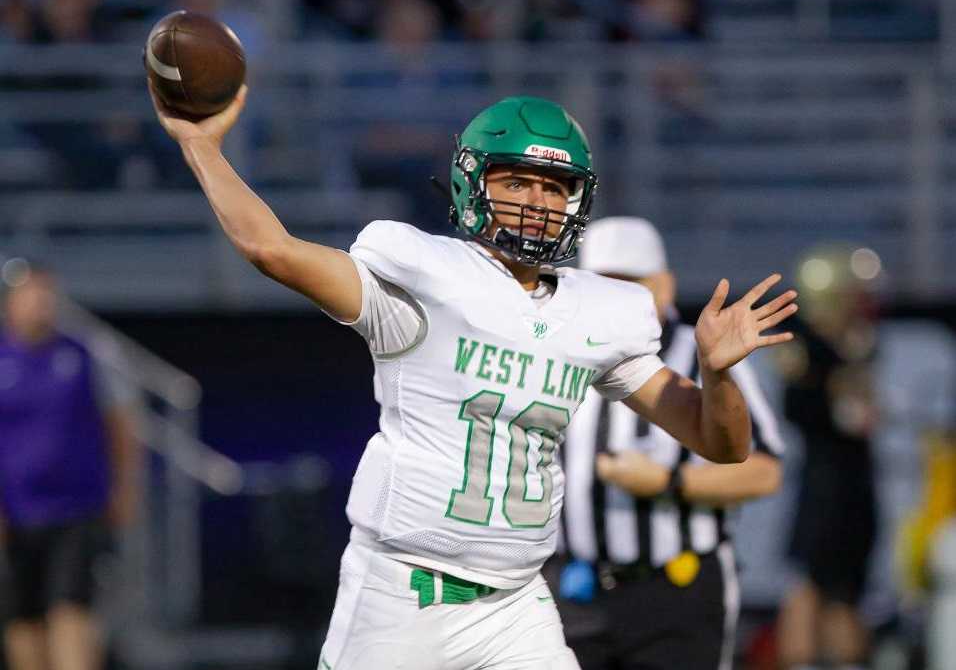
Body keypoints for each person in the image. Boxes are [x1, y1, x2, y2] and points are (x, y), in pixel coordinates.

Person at [147, 82, 798, 670]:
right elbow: (273, 250)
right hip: (403, 592)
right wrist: (202, 146)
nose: (537, 203)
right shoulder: (423, 279)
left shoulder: (599, 312)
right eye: (517, 182)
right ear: (472, 184)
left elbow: (722, 445)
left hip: (515, 604)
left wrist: (717, 375)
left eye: (554, 188)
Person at [551, 217, 784, 670]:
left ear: (665, 286)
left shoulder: (706, 358)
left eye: (631, 284)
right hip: (573, 589)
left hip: (677, 591)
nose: (617, 297)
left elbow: (764, 472)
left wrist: (669, 481)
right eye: (604, 284)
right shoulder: (557, 352)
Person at [0, 259, 141, 670]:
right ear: (10, 302)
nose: (40, 301)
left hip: (77, 508)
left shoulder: (86, 353)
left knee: (71, 607)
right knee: (22, 616)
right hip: (15, 511)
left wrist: (124, 488)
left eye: (46, 292)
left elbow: (121, 426)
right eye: (31, 293)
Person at [774, 244, 881, 670]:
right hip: (825, 484)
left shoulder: (853, 344)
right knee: (811, 582)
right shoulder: (809, 347)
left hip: (853, 482)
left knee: (845, 588)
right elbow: (809, 410)